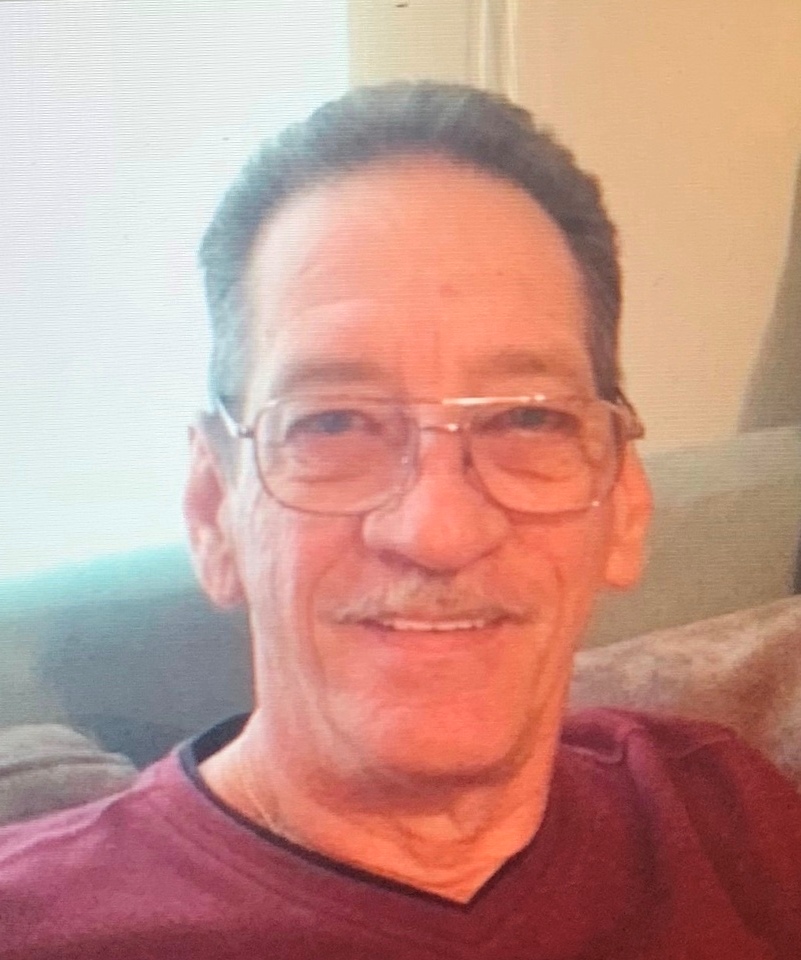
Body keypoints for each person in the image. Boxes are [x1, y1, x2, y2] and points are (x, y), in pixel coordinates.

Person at [1, 81, 800, 959]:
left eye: (526, 419)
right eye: (333, 423)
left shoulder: (729, 822)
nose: (437, 531)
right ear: (212, 512)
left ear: (624, 505)